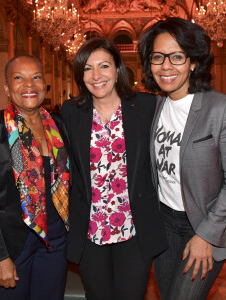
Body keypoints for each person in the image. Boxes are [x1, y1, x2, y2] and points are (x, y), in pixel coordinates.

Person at [138, 17, 226, 300]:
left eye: (177, 57)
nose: (166, 66)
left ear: (193, 62)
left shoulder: (223, 108)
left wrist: (206, 235)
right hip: (163, 223)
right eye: (158, 57)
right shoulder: (153, 106)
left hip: (205, 222)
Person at [60, 37, 168, 300]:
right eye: (87, 68)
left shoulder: (146, 105)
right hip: (90, 229)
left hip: (134, 229)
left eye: (104, 66)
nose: (96, 75)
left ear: (117, 68)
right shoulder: (71, 111)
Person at [0, 55, 70, 300]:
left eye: (35, 77)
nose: (29, 84)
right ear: (6, 88)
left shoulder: (57, 124)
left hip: (55, 239)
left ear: (45, 84)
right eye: (18, 78)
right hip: (11, 242)